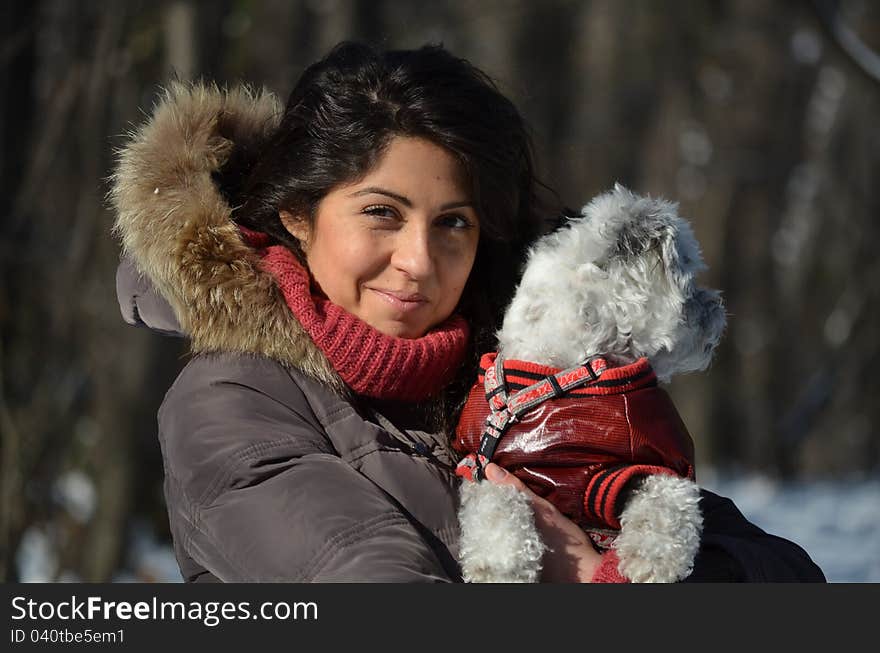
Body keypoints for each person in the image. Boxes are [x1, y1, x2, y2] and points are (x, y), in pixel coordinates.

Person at [112, 41, 825, 582]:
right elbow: (371, 571)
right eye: (381, 213)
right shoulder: (228, 400)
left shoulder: (528, 381)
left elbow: (776, 572)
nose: (419, 260)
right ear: (298, 214)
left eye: (453, 222)